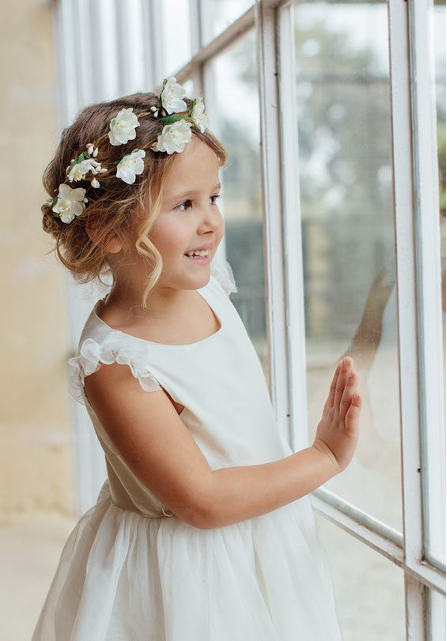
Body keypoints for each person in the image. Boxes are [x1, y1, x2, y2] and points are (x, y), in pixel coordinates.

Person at [32, 77, 362, 641]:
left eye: (214, 197)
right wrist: (325, 457)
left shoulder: (209, 290)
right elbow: (202, 501)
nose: (211, 219)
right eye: (184, 204)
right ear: (108, 229)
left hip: (261, 535)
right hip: (186, 578)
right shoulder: (114, 361)